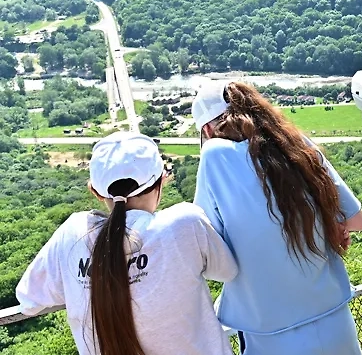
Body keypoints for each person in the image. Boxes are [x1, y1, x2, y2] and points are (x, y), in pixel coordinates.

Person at [17, 131, 237, 355]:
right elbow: (228, 271)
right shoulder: (185, 224)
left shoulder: (73, 234)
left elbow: (29, 299)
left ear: (96, 192)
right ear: (162, 180)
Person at [193, 81, 362, 355]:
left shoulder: (215, 156)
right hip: (335, 320)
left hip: (267, 330)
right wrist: (329, 223)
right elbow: (356, 220)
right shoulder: (295, 145)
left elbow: (208, 252)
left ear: (207, 129)